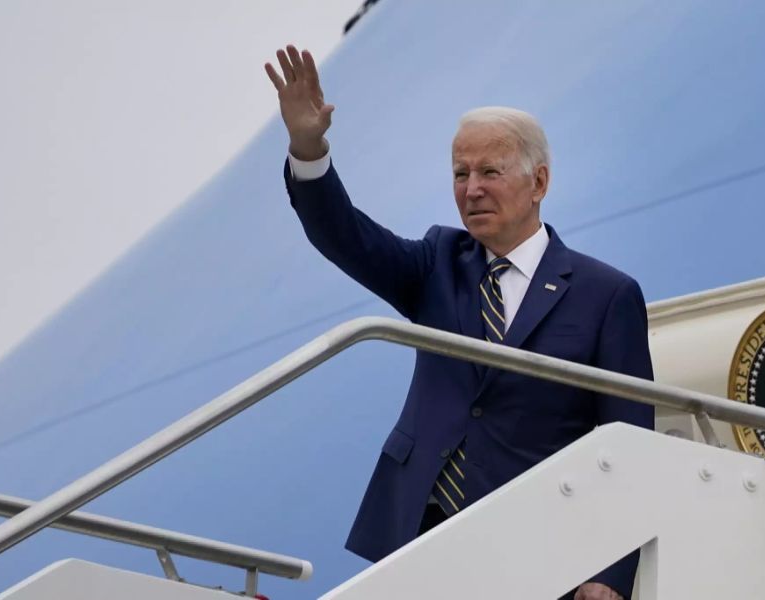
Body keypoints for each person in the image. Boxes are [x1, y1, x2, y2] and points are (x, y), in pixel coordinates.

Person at [266, 45, 654, 600]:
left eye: (489, 172)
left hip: (535, 550)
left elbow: (628, 443)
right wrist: (309, 148)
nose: (471, 189)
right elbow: (343, 235)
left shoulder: (606, 295)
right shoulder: (437, 262)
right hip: (420, 535)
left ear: (539, 182)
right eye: (460, 173)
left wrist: (612, 572)